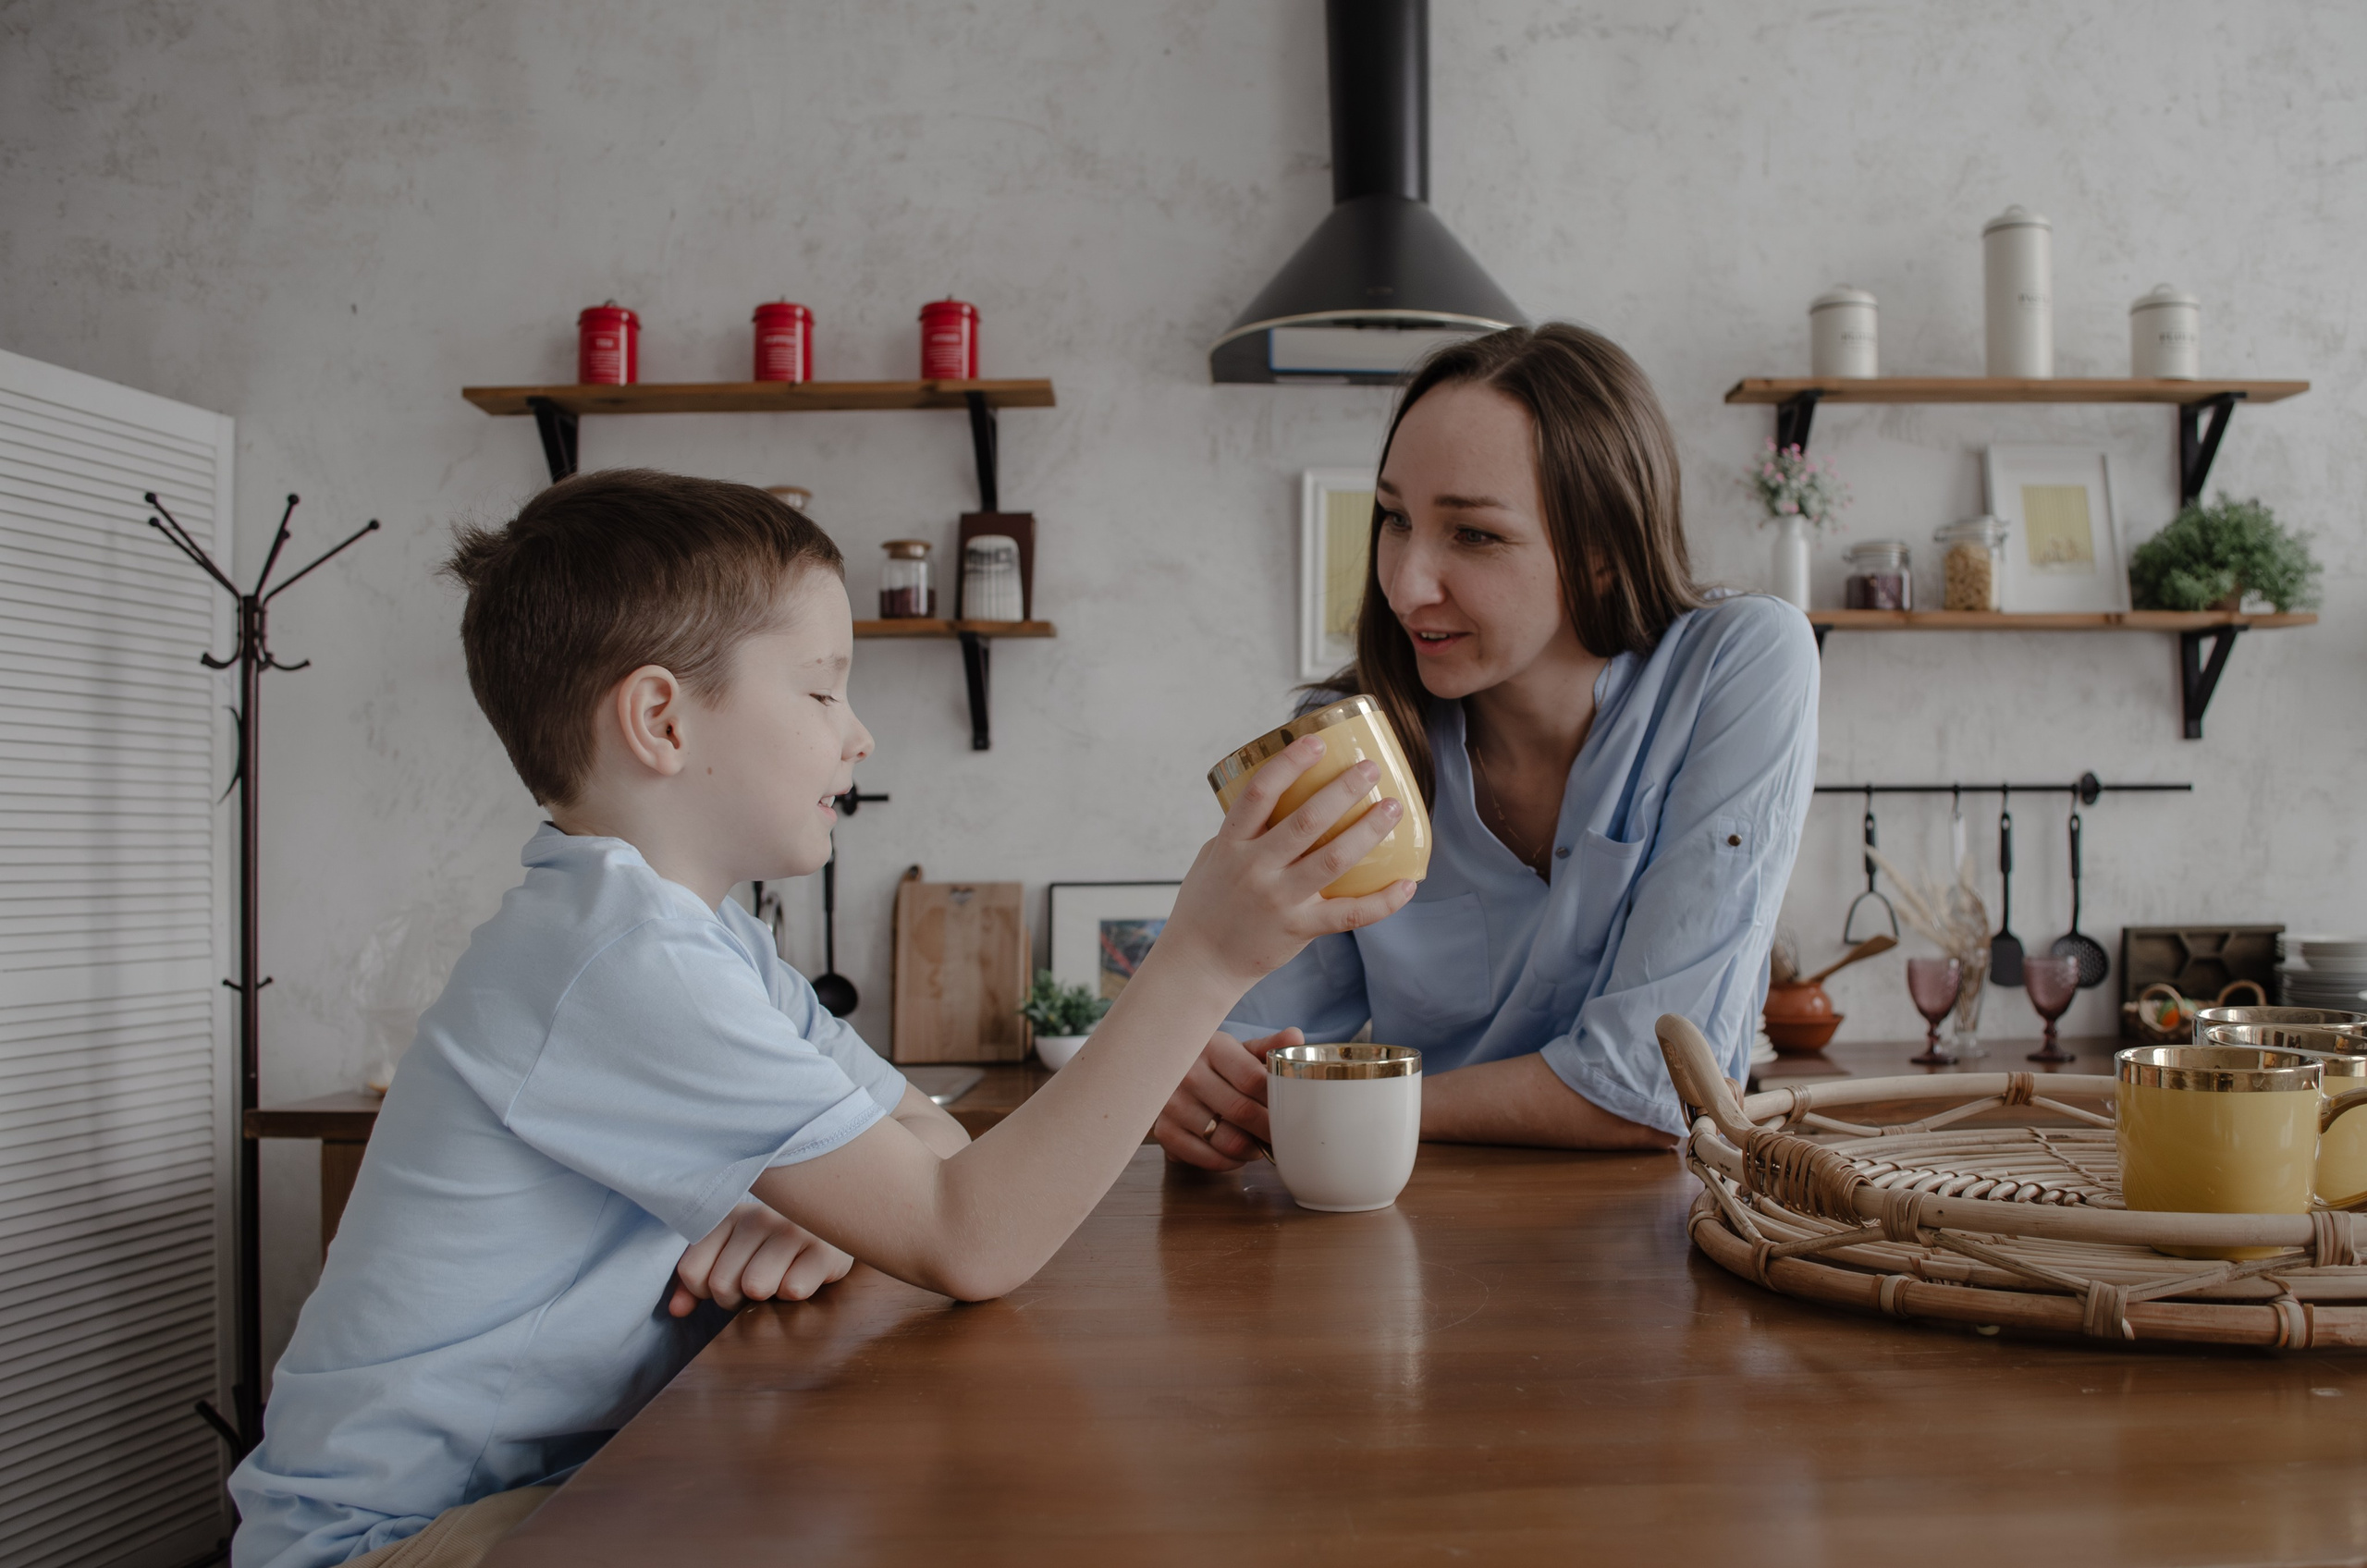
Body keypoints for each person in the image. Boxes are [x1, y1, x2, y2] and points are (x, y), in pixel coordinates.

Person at [228, 472, 1417, 1567]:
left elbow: (936, 1150)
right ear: (659, 720)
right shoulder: (618, 956)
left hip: (561, 1482)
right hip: (392, 1543)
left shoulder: (711, 937)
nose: (859, 732)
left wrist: (844, 1218)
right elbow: (971, 1235)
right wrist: (1201, 956)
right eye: (821, 686)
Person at [1155, 324, 1819, 1169]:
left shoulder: (1742, 661)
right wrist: (1193, 1082)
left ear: (1605, 555)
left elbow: (1656, 1092)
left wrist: (1342, 1104)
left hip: (1656, 1251)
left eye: (1472, 534)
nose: (1403, 585)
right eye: (1395, 519)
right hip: (1402, 1242)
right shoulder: (1351, 737)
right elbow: (1244, 1051)